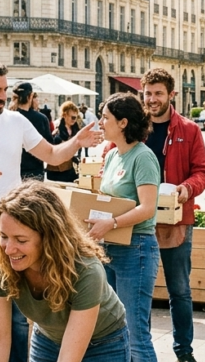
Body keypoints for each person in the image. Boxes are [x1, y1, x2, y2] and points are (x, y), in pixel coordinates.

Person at [0, 59, 102, 362]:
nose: (3, 95)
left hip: (15, 233)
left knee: (17, 319)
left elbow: (50, 154)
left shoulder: (16, 122)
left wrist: (76, 141)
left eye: (5, 89)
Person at [0, 181, 129, 362]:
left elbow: (69, 358)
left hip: (104, 342)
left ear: (49, 238)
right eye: (4, 236)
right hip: (48, 338)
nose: (8, 249)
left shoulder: (86, 270)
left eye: (21, 240)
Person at [141, 68, 205, 362]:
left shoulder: (189, 130)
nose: (152, 99)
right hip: (138, 221)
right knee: (138, 290)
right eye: (147, 94)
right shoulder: (135, 127)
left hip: (176, 219)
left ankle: (184, 351)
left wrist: (186, 188)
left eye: (158, 93)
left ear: (171, 95)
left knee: (179, 290)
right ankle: (138, 349)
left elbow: (202, 172)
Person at [85, 92, 159, 361]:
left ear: (123, 123)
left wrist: (112, 222)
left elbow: (147, 208)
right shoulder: (112, 155)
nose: (100, 123)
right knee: (116, 330)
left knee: (136, 335)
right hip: (109, 248)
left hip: (136, 250)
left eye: (105, 118)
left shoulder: (143, 157)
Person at [13, 82, 52, 181]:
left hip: (13, 170)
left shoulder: (8, 118)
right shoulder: (41, 118)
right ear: (30, 96)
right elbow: (50, 144)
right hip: (35, 170)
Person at [46, 101, 82, 183]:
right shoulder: (57, 131)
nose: (74, 120)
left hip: (69, 168)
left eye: (76, 117)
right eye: (72, 117)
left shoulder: (75, 129)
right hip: (56, 170)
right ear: (64, 115)